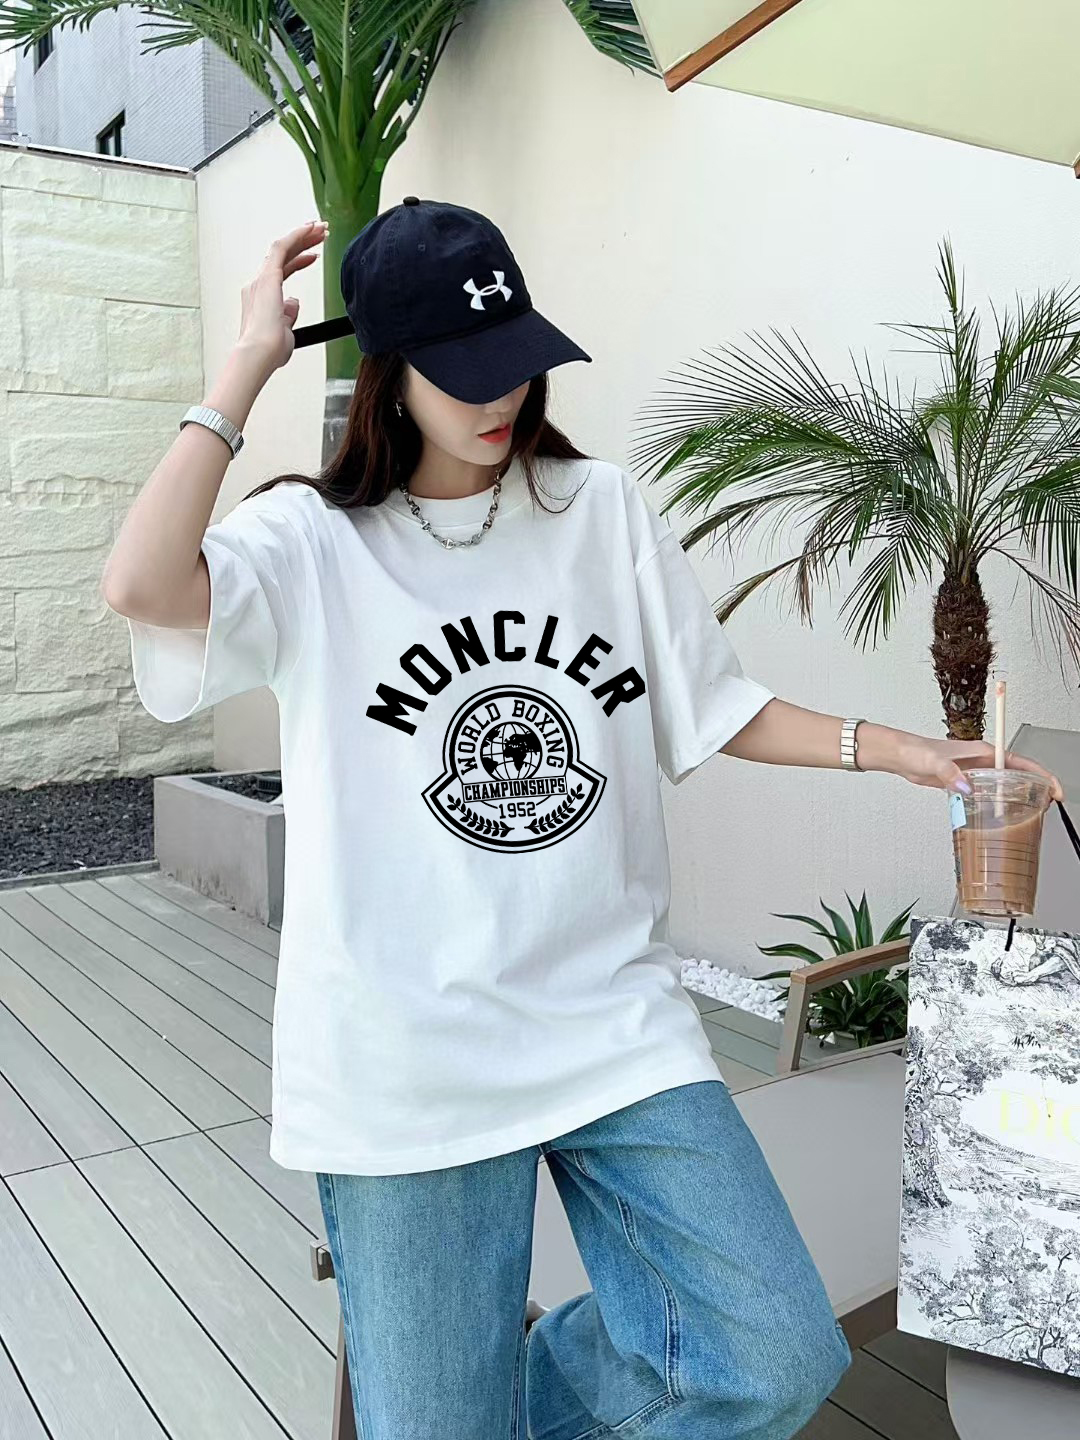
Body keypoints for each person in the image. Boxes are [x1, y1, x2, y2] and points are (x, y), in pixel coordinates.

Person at [101, 198, 1063, 1440]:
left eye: (516, 360)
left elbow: (712, 705)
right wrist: (245, 365)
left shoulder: (596, 509)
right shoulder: (311, 545)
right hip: (405, 1060)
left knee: (770, 1350)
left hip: (609, 1022)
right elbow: (141, 583)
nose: (502, 396)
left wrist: (902, 753)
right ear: (390, 373)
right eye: (465, 374)